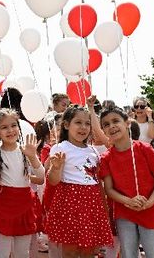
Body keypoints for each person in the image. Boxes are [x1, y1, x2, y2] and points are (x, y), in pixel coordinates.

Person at [99, 107, 154, 258]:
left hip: (150, 211)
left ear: (127, 123)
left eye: (116, 121)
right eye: (106, 124)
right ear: (103, 130)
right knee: (128, 254)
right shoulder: (106, 158)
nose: (111, 126)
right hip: (124, 213)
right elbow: (109, 190)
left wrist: (150, 202)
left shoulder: (144, 148)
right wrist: (129, 201)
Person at [45, 106, 113, 257]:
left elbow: (97, 181)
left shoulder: (94, 151)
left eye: (87, 123)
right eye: (78, 122)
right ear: (67, 125)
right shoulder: (60, 148)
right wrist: (55, 168)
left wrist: (104, 206)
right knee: (70, 250)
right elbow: (53, 181)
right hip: (70, 204)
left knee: (89, 250)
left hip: (92, 205)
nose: (83, 127)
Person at [0, 108, 43, 258]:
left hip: (24, 205)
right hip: (3, 206)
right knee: (2, 253)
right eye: (4, 127)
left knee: (22, 253)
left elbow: (42, 177)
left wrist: (33, 157)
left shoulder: (26, 150)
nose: (10, 130)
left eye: (13, 125)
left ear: (19, 127)